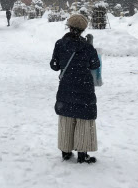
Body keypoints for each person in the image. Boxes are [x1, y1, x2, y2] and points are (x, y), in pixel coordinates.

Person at [50, 14, 100, 164]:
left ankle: (66, 152)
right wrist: (90, 47)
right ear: (83, 29)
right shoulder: (87, 47)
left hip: (66, 86)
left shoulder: (60, 44)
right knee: (84, 119)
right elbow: (95, 65)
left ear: (69, 27)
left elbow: (54, 65)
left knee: (66, 117)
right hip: (84, 87)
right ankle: (82, 154)